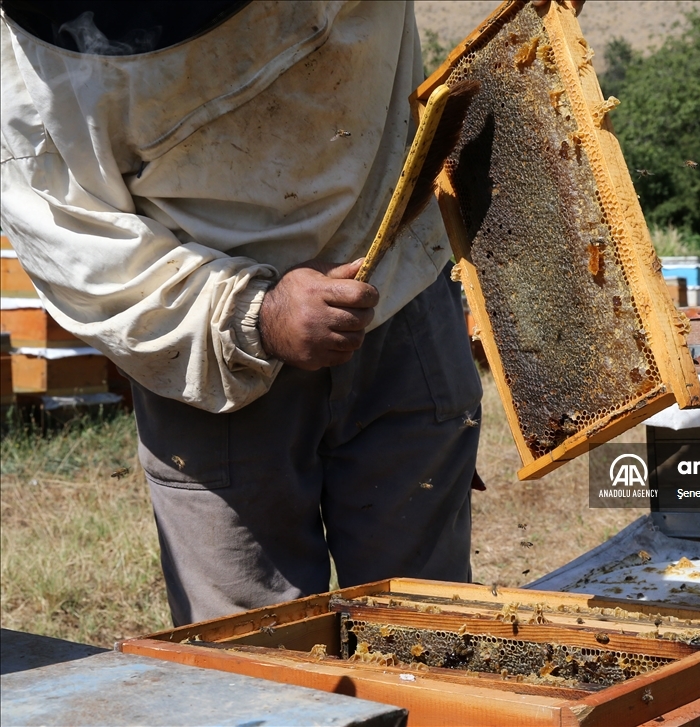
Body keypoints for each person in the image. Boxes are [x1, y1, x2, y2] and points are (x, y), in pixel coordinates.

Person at [0, 1, 484, 626]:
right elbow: (83, 254)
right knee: (252, 663)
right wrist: (257, 315)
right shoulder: (22, 72)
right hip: (205, 355)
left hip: (399, 290)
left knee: (426, 626)